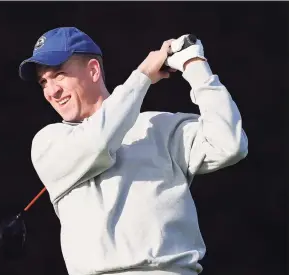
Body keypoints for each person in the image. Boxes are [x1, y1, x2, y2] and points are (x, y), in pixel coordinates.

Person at [18, 27, 248, 275]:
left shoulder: (158, 126)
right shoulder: (49, 142)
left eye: (60, 75)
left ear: (93, 70)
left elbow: (229, 144)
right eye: (44, 82)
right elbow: (99, 142)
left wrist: (194, 65)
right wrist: (142, 76)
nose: (52, 91)